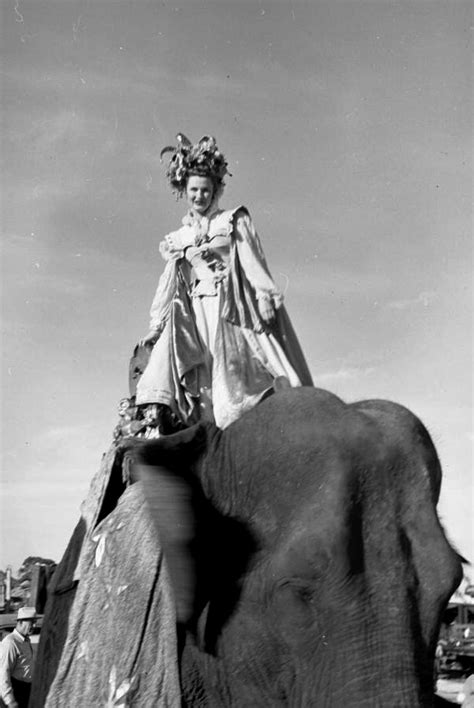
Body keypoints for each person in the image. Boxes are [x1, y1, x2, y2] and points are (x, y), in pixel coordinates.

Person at [131, 134, 313, 436]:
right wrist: (156, 324)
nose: (199, 196)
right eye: (194, 190)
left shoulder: (231, 220)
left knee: (251, 370)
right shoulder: (179, 237)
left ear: (215, 190)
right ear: (184, 190)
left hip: (232, 305)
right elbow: (170, 282)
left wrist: (265, 295)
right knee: (188, 373)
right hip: (196, 312)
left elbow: (252, 260)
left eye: (205, 190)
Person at [0, 607, 37, 708]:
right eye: (31, 623)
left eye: (35, 622)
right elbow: (3, 673)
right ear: (20, 622)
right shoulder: (10, 643)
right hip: (15, 692)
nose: (34, 625)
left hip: (25, 692)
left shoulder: (26, 641)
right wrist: (10, 701)